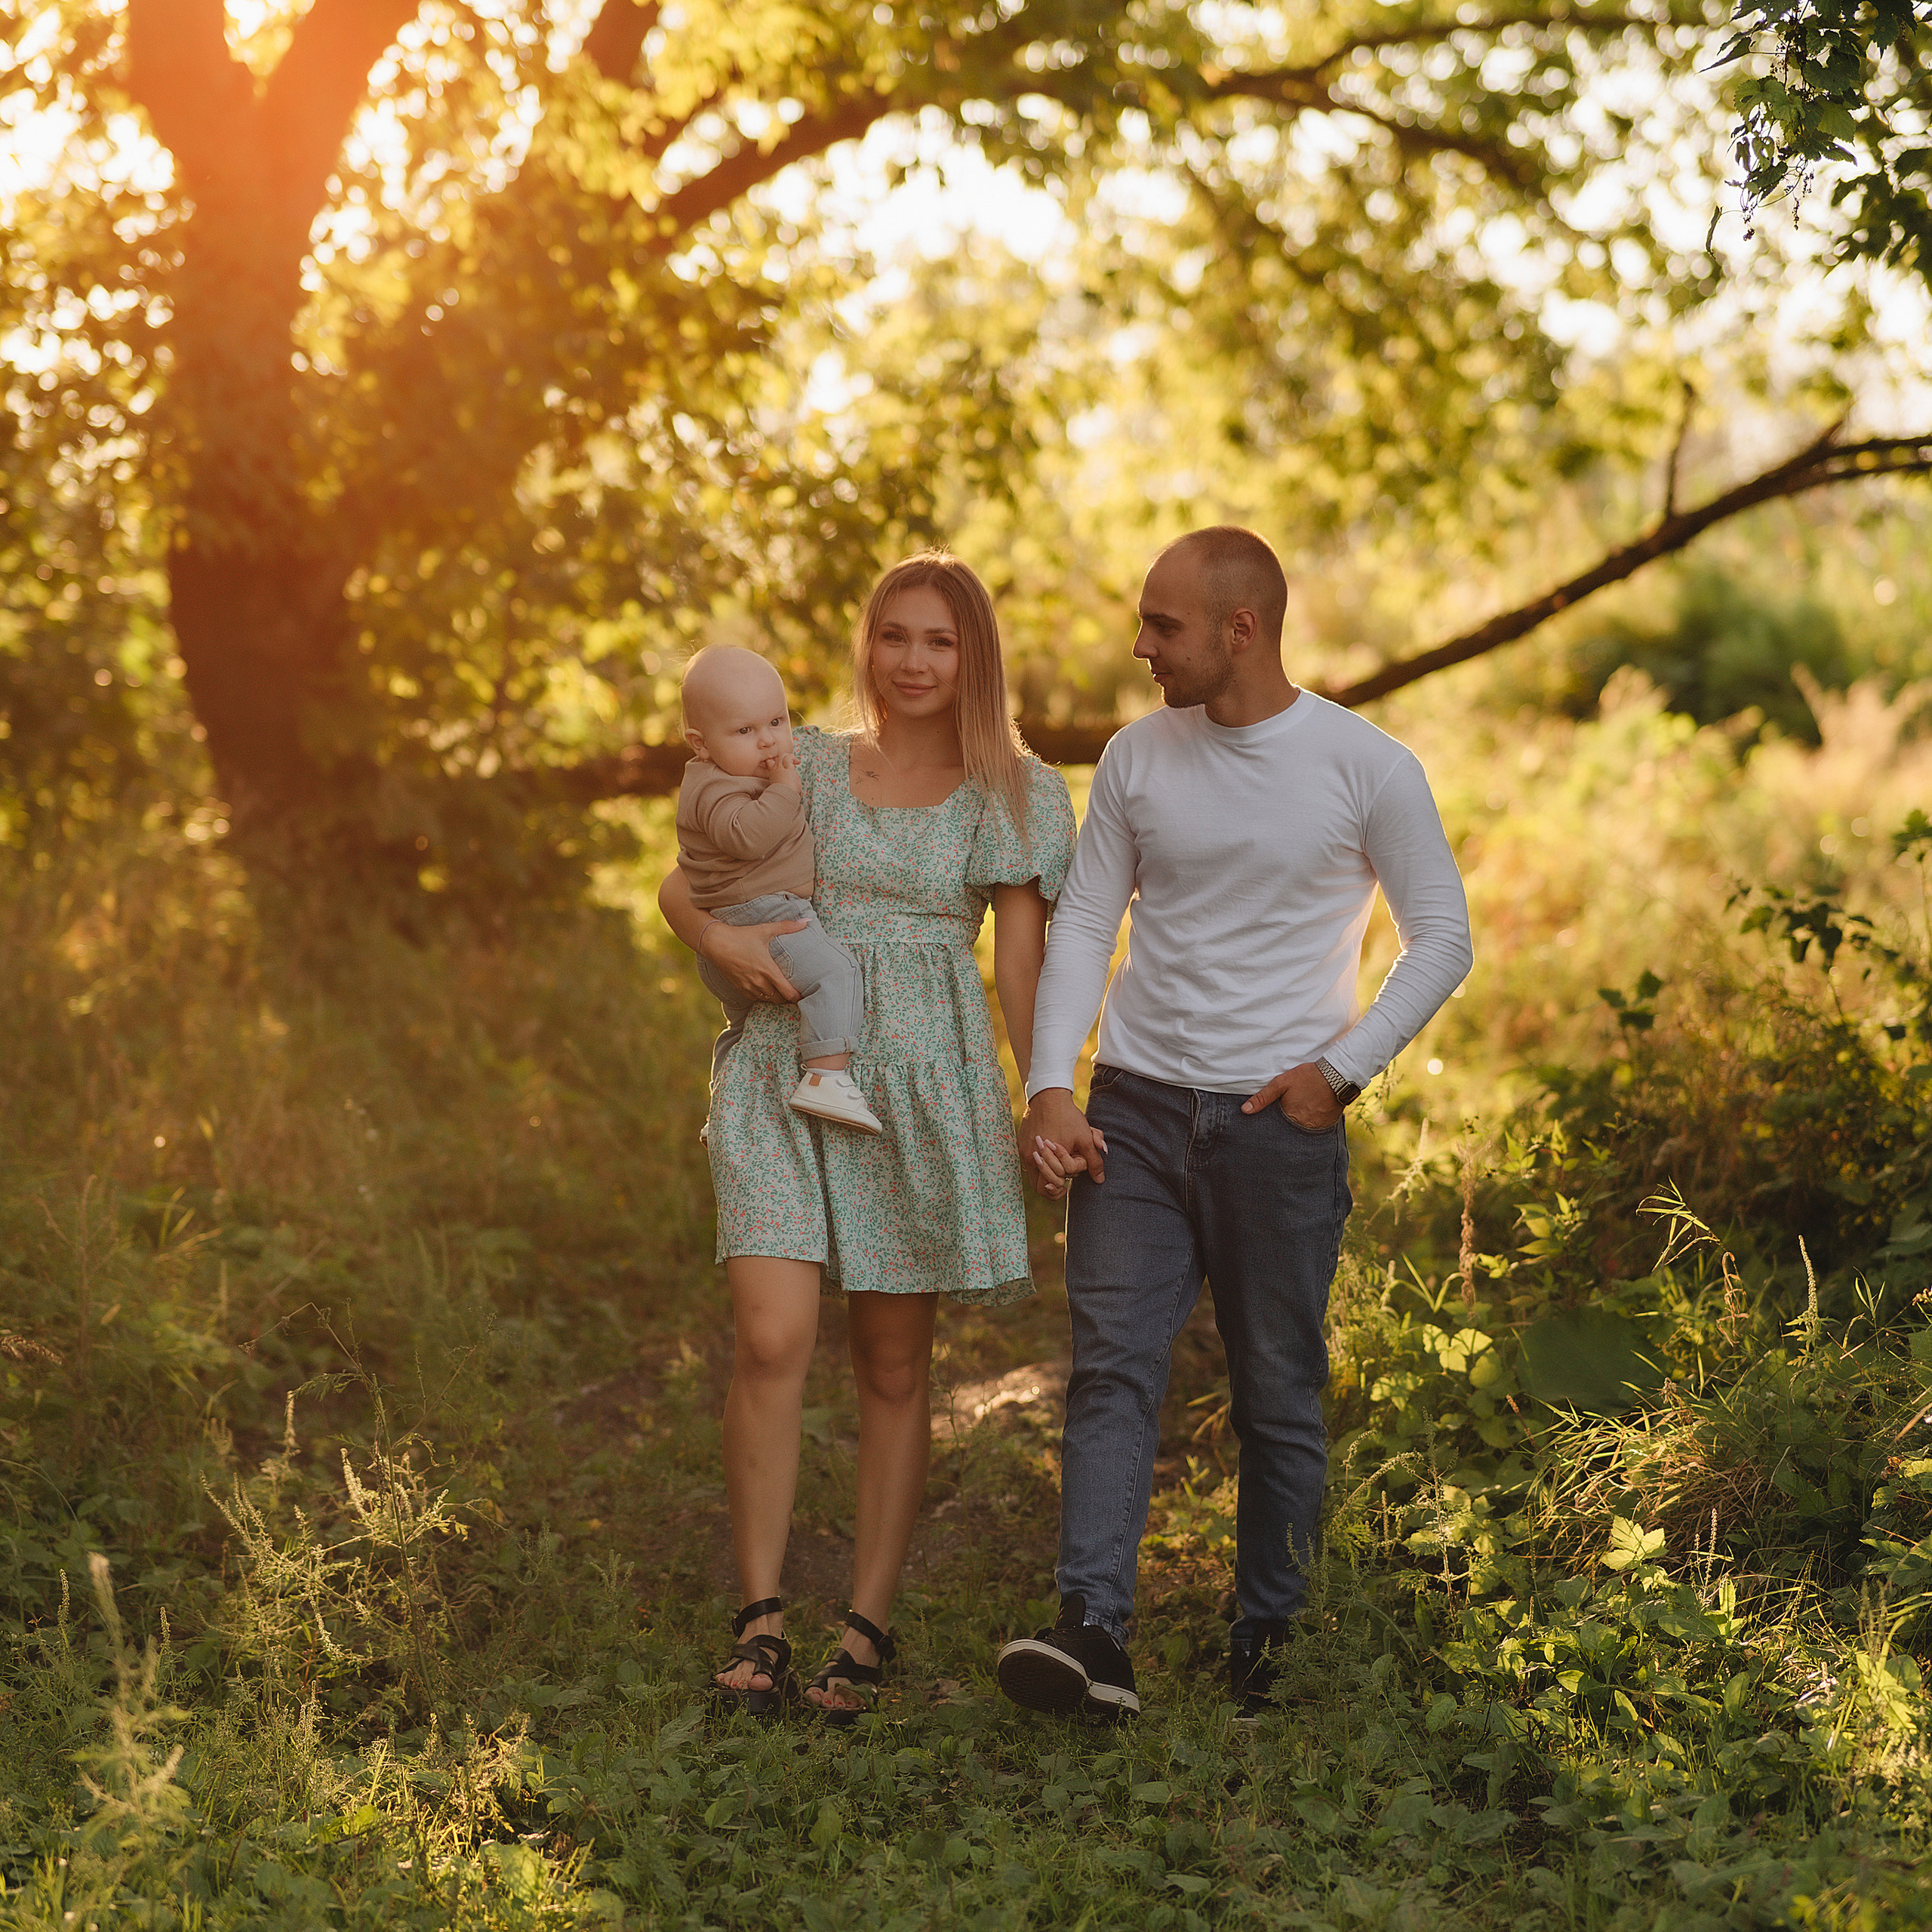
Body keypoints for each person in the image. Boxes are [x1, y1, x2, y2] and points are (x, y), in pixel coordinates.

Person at [998, 525, 1472, 1719]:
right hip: (1138, 1115)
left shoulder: (1366, 766)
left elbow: (1443, 937)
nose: (1143, 645)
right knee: (1110, 1370)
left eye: (1164, 625)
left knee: (1277, 1389)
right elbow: (1088, 925)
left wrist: (1344, 1069)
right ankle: (1092, 1633)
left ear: (1239, 630)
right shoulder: (1136, 759)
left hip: (1277, 1129)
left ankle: (1270, 1639)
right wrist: (1052, 1083)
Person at [657, 553, 1076, 1721]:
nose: (913, 661)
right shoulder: (808, 764)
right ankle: (760, 1618)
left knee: (893, 1363)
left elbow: (1023, 963)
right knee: (771, 1334)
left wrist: (1045, 1093)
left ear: (973, 655)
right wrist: (714, 939)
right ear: (868, 646)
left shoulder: (1017, 790)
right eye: (895, 636)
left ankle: (865, 1627)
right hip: (784, 1061)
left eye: (939, 641)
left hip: (922, 1081)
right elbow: (692, 875)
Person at [676, 644, 880, 1134]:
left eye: (777, 722)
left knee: (740, 1028)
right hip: (759, 916)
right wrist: (785, 790)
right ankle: (826, 1079)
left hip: (736, 924)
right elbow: (748, 836)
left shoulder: (738, 773)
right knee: (837, 971)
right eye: (745, 731)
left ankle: (723, 1111)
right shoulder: (712, 786)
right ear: (700, 744)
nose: (768, 742)